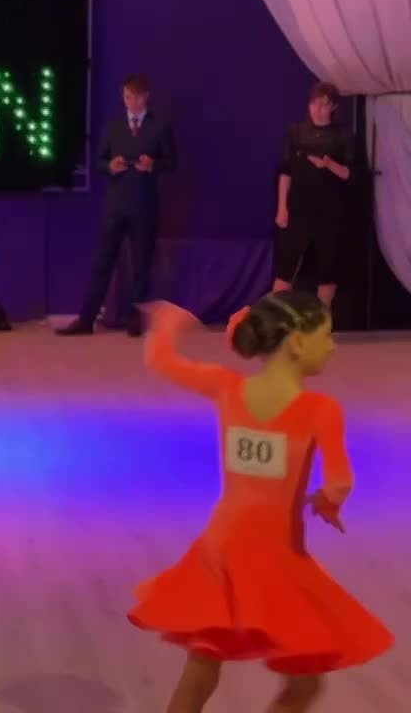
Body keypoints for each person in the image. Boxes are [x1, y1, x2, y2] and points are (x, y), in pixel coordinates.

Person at [128, 295, 391, 713]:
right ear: (297, 343)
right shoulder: (320, 409)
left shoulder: (227, 386)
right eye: (327, 335)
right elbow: (340, 480)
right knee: (304, 684)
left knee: (201, 668)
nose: (333, 345)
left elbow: (162, 362)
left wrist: (168, 324)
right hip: (275, 554)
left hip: (220, 547)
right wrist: (328, 503)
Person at [59, 74, 176, 337]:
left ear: (146, 97)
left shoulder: (160, 126)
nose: (131, 102)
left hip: (144, 207)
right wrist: (110, 166)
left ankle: (136, 320)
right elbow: (99, 162)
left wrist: (153, 165)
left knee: (141, 266)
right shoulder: (113, 126)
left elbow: (172, 163)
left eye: (136, 97)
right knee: (102, 262)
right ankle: (86, 320)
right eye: (127, 97)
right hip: (116, 207)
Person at [274, 82, 354, 308]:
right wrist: (282, 208)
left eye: (324, 105)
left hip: (330, 210)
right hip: (298, 208)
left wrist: (329, 164)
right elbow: (286, 171)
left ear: (334, 107)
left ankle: (322, 319)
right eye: (314, 104)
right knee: (286, 266)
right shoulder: (295, 132)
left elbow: (350, 174)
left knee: (328, 268)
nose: (318, 110)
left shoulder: (343, 135)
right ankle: (275, 318)